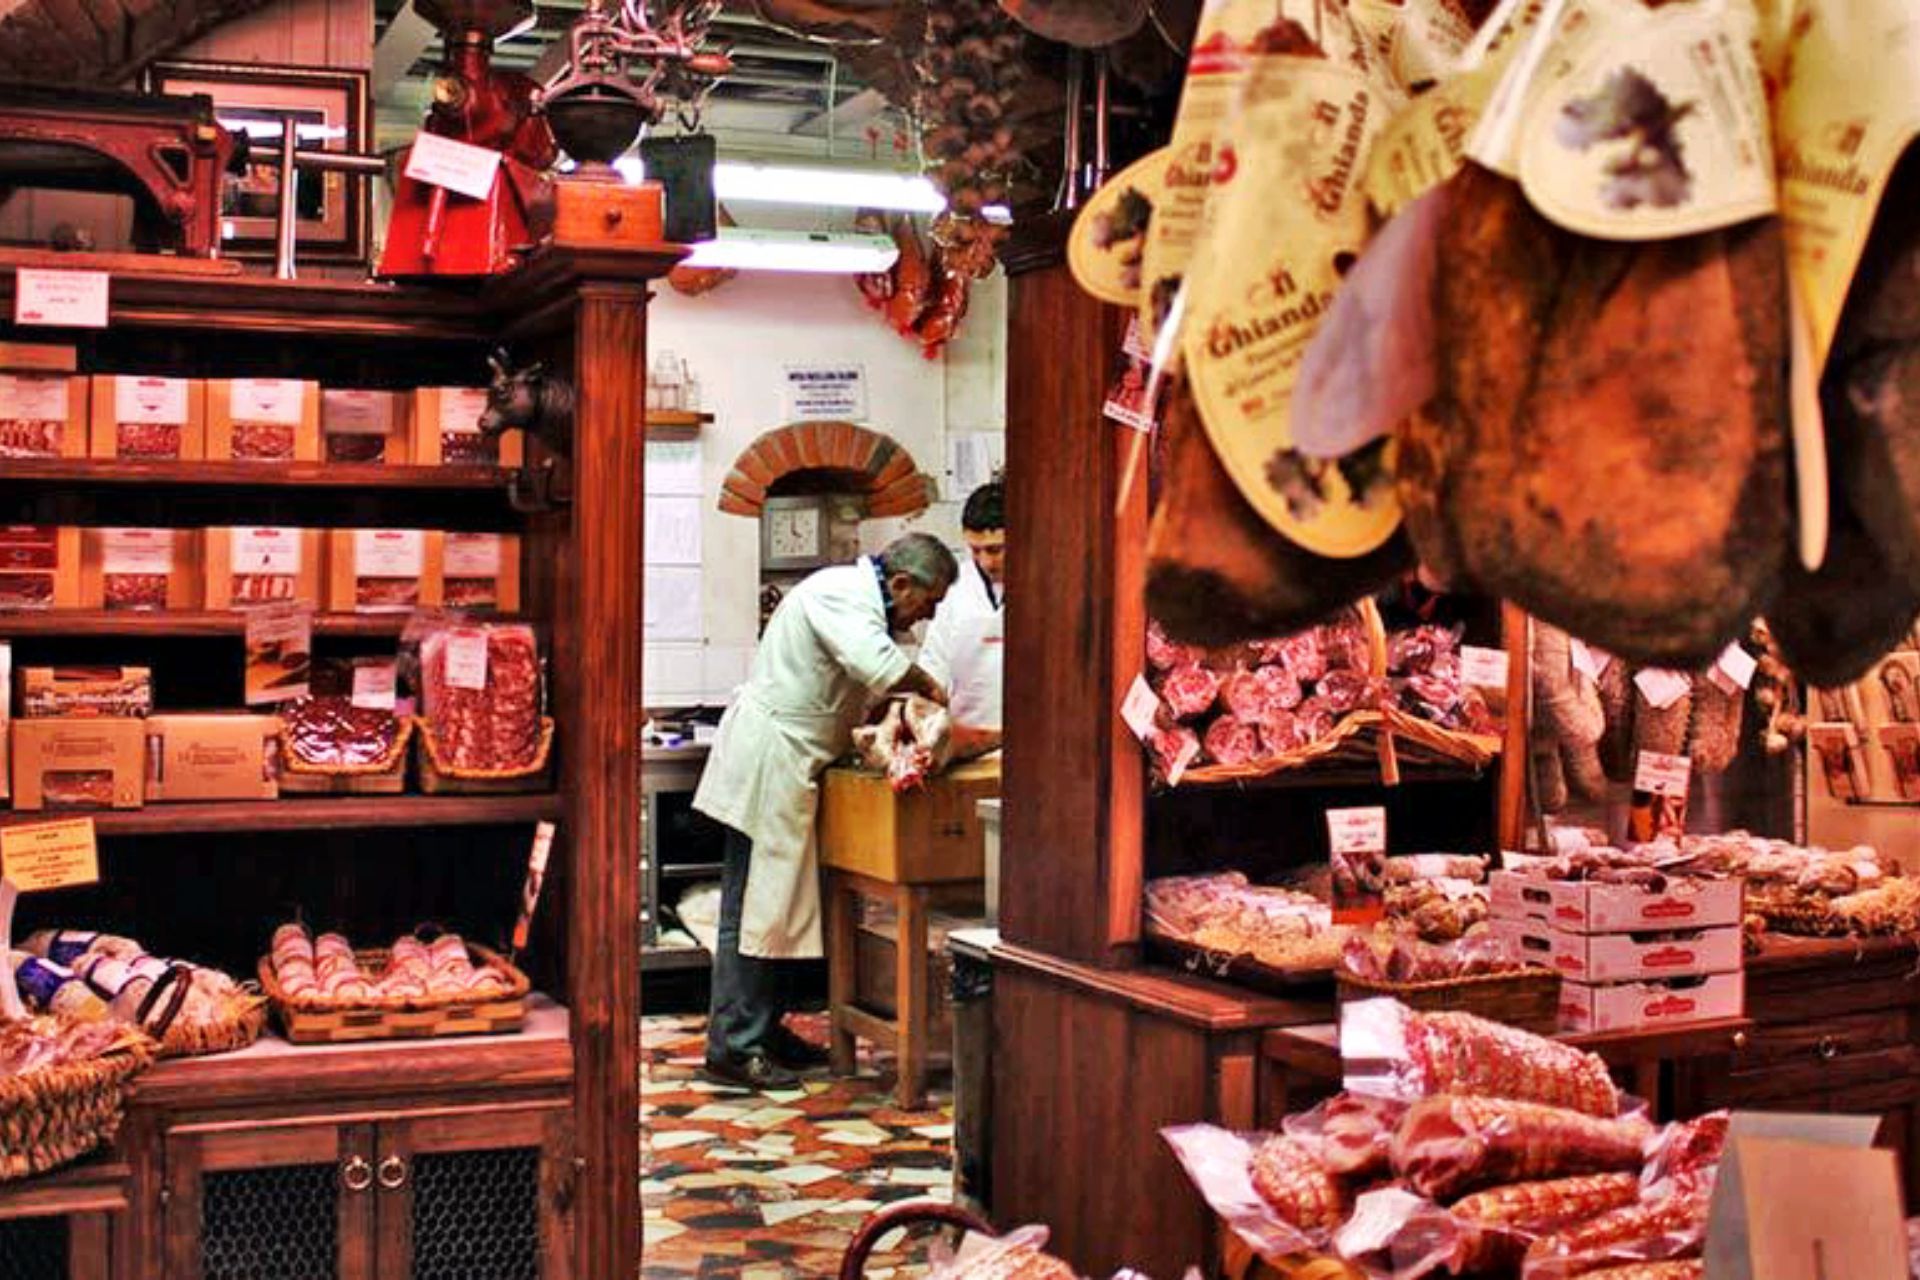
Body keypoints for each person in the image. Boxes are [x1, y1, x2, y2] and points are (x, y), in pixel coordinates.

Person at [693, 533, 958, 1088]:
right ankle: (734, 1047)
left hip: (796, 763)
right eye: (925, 603)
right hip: (771, 759)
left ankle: (763, 1030)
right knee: (754, 908)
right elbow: (881, 669)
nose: (924, 617)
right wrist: (928, 685)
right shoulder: (840, 593)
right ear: (901, 583)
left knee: (783, 909)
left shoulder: (858, 599)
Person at [918, 481, 1005, 735]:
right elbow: (933, 667)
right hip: (965, 739)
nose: (986, 562)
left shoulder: (1049, 585)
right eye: (976, 550)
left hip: (1033, 742)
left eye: (995, 550)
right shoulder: (954, 588)